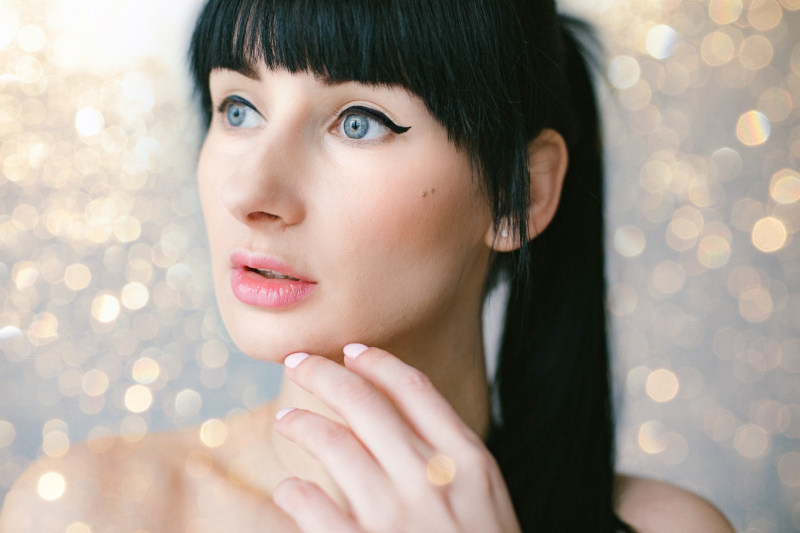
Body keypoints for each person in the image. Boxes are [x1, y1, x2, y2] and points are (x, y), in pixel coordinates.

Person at [0, 1, 736, 531]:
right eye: (238, 109)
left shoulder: (668, 527)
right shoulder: (89, 509)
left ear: (520, 192)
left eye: (359, 122)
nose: (250, 194)